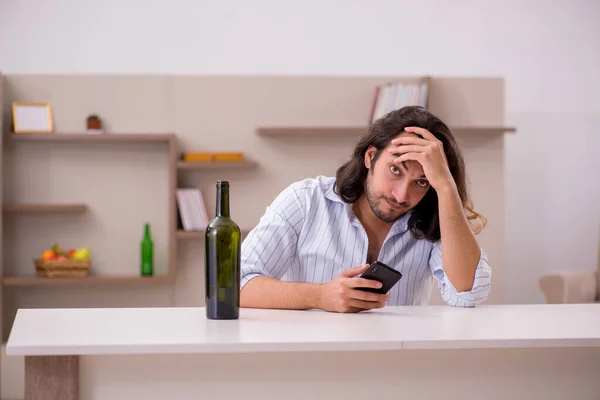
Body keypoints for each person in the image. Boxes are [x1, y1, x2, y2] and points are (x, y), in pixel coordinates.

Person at [239, 105, 491, 313]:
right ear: (371, 156)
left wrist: (446, 187)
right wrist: (318, 296)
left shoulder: (433, 217)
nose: (402, 195)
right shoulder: (305, 200)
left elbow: (467, 295)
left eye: (421, 181)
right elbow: (233, 286)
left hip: (399, 361)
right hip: (311, 360)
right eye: (395, 169)